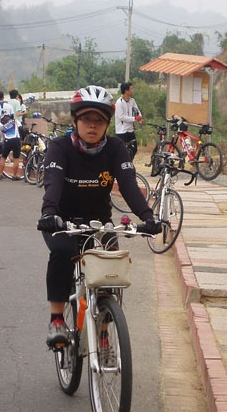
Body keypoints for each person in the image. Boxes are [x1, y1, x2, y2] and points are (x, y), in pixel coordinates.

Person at [37, 85, 161, 347]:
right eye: (86, 119)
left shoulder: (115, 148)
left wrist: (148, 216)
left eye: (99, 120)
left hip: (99, 222)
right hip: (63, 221)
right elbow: (53, 183)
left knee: (109, 268)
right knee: (62, 252)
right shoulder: (60, 147)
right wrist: (49, 213)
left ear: (107, 124)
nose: (92, 125)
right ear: (75, 120)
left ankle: (103, 334)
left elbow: (128, 184)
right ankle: (57, 319)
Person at [114, 82, 142, 159]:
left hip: (130, 129)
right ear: (126, 91)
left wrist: (139, 117)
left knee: (134, 148)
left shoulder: (132, 101)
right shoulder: (119, 102)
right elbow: (121, 117)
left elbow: (136, 111)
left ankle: (129, 162)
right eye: (131, 89)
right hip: (121, 131)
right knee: (122, 151)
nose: (132, 90)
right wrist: (134, 119)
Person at [0, 109, 23, 180]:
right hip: (16, 140)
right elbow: (21, 129)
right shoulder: (15, 121)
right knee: (16, 159)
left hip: (7, 141)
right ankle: (14, 175)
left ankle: (0, 174)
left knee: (3, 157)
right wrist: (22, 138)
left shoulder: (3, 127)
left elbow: (3, 136)